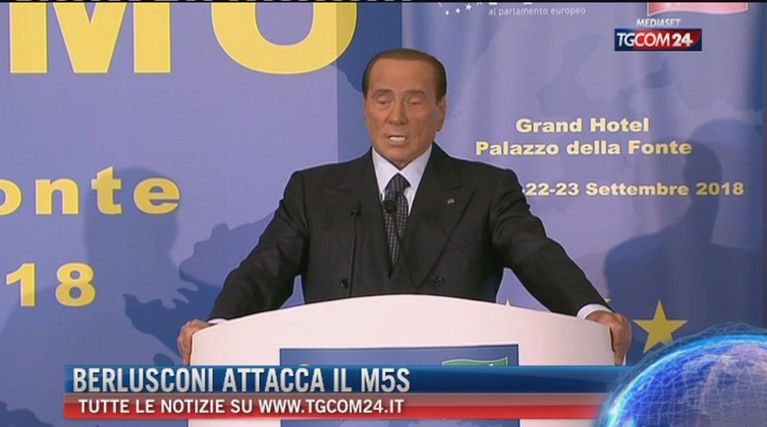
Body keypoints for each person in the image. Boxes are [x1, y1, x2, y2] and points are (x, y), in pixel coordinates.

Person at [178, 48, 630, 365]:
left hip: (454, 395)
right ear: (366, 108)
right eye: (383, 99)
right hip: (340, 396)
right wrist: (219, 327)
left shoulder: (487, 189)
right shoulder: (313, 191)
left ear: (440, 111)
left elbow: (536, 255)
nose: (396, 116)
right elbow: (265, 270)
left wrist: (590, 313)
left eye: (414, 101)